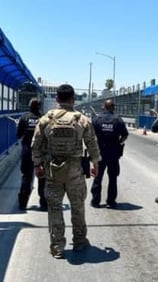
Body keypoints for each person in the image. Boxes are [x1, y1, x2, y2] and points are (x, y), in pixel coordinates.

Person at [31, 84, 100, 259]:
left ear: (57, 100)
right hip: (75, 171)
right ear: (73, 100)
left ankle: (57, 247)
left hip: (52, 171)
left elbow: (36, 145)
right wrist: (95, 163)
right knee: (77, 207)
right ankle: (79, 241)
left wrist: (37, 165)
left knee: (55, 208)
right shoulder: (81, 119)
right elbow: (92, 143)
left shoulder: (47, 119)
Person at [90, 99, 129, 209]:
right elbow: (125, 135)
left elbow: (91, 136)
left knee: (98, 177)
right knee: (113, 178)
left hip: (100, 152)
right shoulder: (118, 120)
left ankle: (95, 201)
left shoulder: (97, 119)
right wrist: (119, 142)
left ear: (104, 107)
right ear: (113, 108)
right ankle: (111, 202)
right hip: (113, 153)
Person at [16, 97, 47, 211]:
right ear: (40, 107)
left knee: (26, 177)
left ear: (29, 106)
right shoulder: (43, 118)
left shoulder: (24, 117)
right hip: (41, 152)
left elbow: (18, 135)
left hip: (27, 150)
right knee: (43, 177)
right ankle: (44, 204)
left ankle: (22, 204)